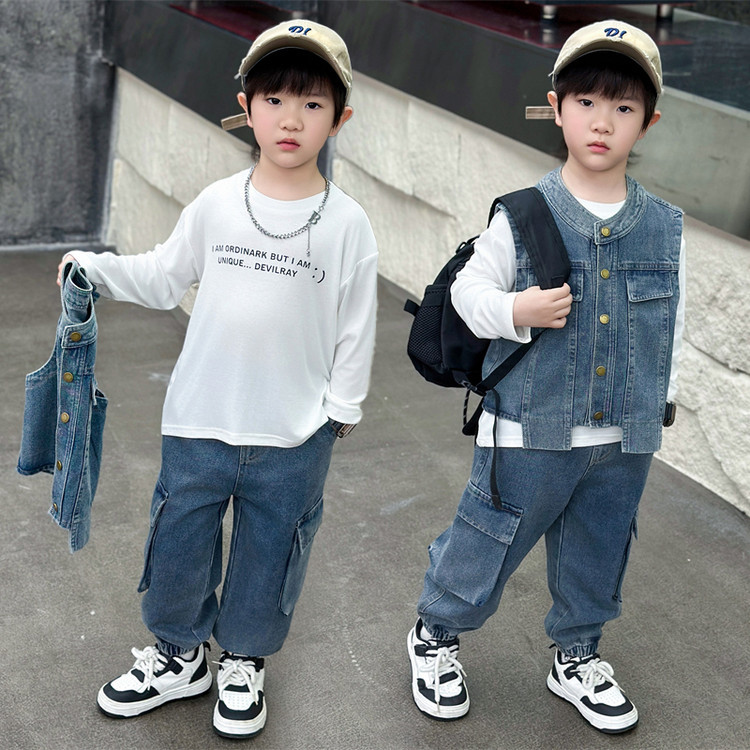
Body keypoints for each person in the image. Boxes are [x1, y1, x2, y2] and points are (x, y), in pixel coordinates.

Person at [58, 20, 377, 739]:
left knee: (271, 552)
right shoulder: (216, 204)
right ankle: (179, 656)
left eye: (313, 104)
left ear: (340, 119)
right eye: (274, 100)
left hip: (293, 431)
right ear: (246, 107)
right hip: (200, 419)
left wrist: (341, 408)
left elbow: (356, 323)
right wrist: (94, 270)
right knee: (178, 544)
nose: (291, 119)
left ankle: (242, 660)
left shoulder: (348, 224)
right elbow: (163, 276)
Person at [407, 19, 684, 735]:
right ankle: (436, 633)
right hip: (529, 426)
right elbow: (469, 294)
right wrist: (516, 310)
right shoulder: (525, 215)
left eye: (623, 107)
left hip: (622, 434)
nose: (603, 122)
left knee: (600, 547)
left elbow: (664, 325)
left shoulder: (663, 226)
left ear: (648, 122)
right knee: (489, 537)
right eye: (586, 102)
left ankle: (578, 654)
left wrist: (658, 401)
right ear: (556, 107)